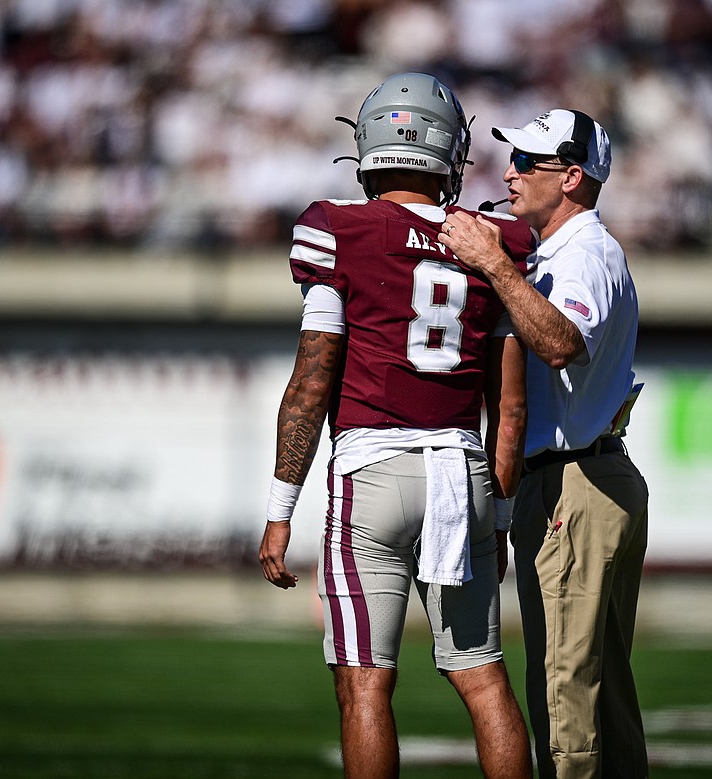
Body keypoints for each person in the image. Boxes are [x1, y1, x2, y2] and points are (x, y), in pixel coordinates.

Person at [257, 72, 536, 779]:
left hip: (371, 472)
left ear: (370, 143)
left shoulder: (337, 229)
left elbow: (312, 382)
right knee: (483, 675)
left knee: (364, 683)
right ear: (448, 149)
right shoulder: (493, 239)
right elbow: (509, 408)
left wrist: (279, 509)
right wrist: (499, 516)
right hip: (461, 472)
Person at [438, 109, 649, 779]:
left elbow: (560, 341)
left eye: (530, 162)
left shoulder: (584, 249)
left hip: (573, 482)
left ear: (573, 177)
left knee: (565, 690)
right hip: (578, 477)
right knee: (598, 687)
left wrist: (494, 266)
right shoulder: (568, 250)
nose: (512, 172)